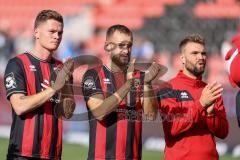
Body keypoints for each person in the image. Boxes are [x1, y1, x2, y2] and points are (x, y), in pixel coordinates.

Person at [4, 10, 75, 160]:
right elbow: (19, 106)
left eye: (60, 33)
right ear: (36, 32)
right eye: (52, 31)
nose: (57, 36)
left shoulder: (62, 68)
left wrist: (66, 85)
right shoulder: (17, 64)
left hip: (52, 154)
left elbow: (67, 113)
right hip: (22, 154)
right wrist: (54, 88)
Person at [82, 24, 161, 160]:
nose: (126, 50)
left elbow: (151, 115)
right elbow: (100, 112)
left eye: (129, 45)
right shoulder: (93, 75)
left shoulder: (140, 77)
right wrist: (127, 85)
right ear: (108, 46)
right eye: (121, 45)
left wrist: (147, 84)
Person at [157, 34, 229, 160]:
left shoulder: (211, 90)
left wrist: (211, 115)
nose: (200, 57)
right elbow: (172, 128)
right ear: (183, 59)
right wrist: (201, 103)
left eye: (203, 53)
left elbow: (223, 132)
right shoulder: (168, 88)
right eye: (194, 53)